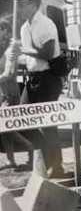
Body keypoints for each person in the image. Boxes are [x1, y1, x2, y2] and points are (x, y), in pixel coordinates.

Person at [19, 0, 67, 178]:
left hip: (48, 78)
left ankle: (56, 165)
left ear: (32, 4)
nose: (20, 9)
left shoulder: (46, 24)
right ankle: (44, 155)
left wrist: (26, 50)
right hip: (32, 77)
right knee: (22, 119)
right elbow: (29, 57)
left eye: (22, 5)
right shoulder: (24, 28)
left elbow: (46, 54)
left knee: (48, 124)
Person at [0, 16, 34, 169]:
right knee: (5, 130)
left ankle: (30, 147)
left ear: (6, 31)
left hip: (10, 95)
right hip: (3, 94)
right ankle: (11, 160)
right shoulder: (4, 50)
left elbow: (9, 74)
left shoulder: (10, 50)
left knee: (5, 126)